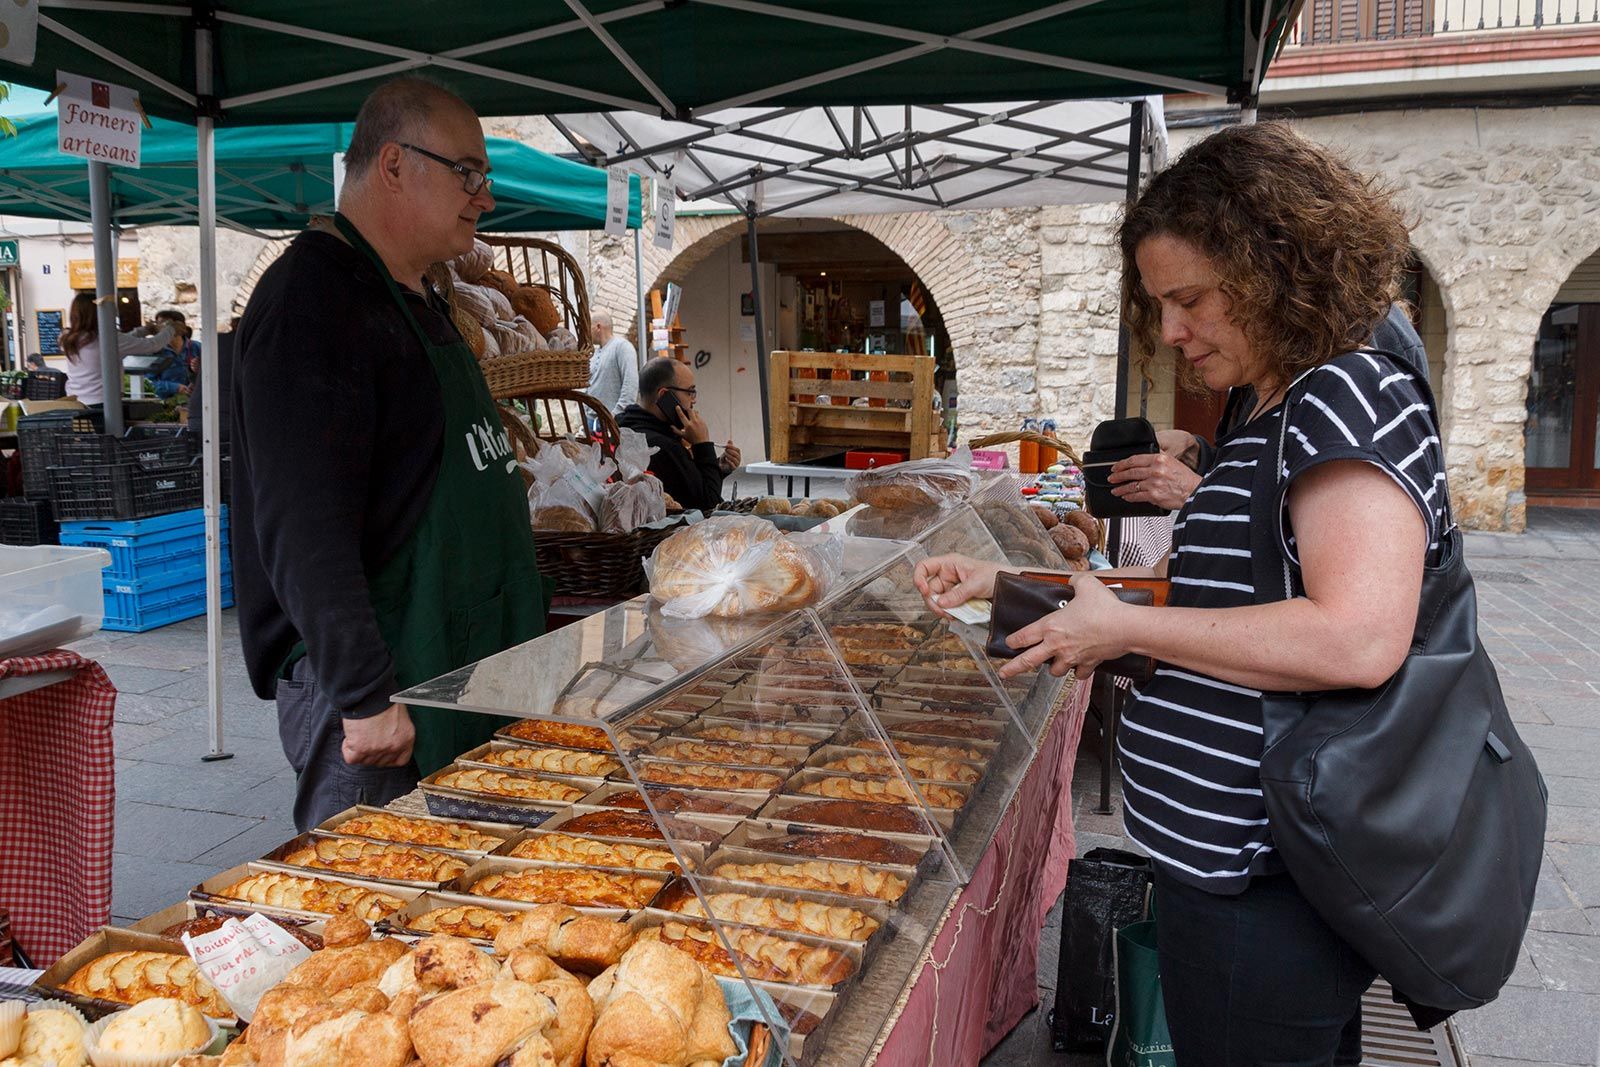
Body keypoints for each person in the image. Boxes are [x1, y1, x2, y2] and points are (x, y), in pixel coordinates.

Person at [914, 122, 1444, 1066]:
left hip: (1269, 877)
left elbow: (1359, 634)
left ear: (1279, 263)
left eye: (1190, 299)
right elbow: (1207, 601)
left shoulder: (1347, 393)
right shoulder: (1279, 401)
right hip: (1229, 868)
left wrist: (1117, 623)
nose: (1169, 331)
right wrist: (1013, 586)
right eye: (1159, 303)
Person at [232, 76, 547, 832]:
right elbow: (301, 526)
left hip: (458, 677)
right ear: (394, 164)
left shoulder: (420, 294)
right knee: (372, 920)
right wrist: (367, 698)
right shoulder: (313, 299)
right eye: (467, 171)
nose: (486, 196)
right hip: (382, 712)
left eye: (485, 175)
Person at [1111, 302, 1430, 512]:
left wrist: (1197, 492)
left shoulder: (1362, 357)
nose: (1170, 334)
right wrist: (1201, 455)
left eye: (1192, 299)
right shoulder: (1264, 357)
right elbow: (1269, 468)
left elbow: (1333, 529)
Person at [617, 357, 740, 512]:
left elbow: (688, 486)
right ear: (664, 396)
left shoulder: (625, 425)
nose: (693, 401)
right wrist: (702, 445)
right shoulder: (662, 446)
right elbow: (709, 505)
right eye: (690, 392)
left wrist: (717, 468)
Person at [58, 292, 172, 406]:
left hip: (75, 401)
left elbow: (124, 341)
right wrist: (171, 329)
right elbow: (152, 345)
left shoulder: (67, 337)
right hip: (103, 402)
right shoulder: (108, 338)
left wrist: (144, 330)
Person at [586, 311, 639, 413]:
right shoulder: (594, 353)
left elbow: (630, 387)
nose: (587, 332)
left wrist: (615, 416)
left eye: (589, 327)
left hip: (612, 422)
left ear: (598, 327)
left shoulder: (622, 347)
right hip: (591, 421)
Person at [147, 309, 198, 398]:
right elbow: (148, 383)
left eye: (165, 324)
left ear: (181, 327)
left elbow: (210, 375)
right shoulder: (154, 351)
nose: (160, 329)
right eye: (158, 325)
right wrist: (174, 387)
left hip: (193, 402)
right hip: (163, 404)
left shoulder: (197, 348)